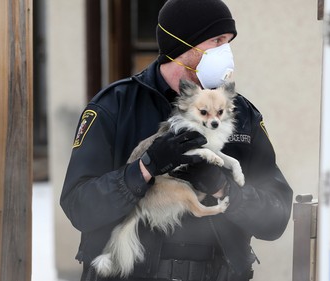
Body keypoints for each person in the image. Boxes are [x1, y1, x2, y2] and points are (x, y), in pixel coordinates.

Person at [60, 0, 293, 280]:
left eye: (228, 41)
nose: (226, 52)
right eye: (216, 40)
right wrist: (144, 169)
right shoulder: (115, 107)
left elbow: (276, 219)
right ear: (184, 45)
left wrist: (224, 188)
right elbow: (79, 206)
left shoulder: (240, 114)